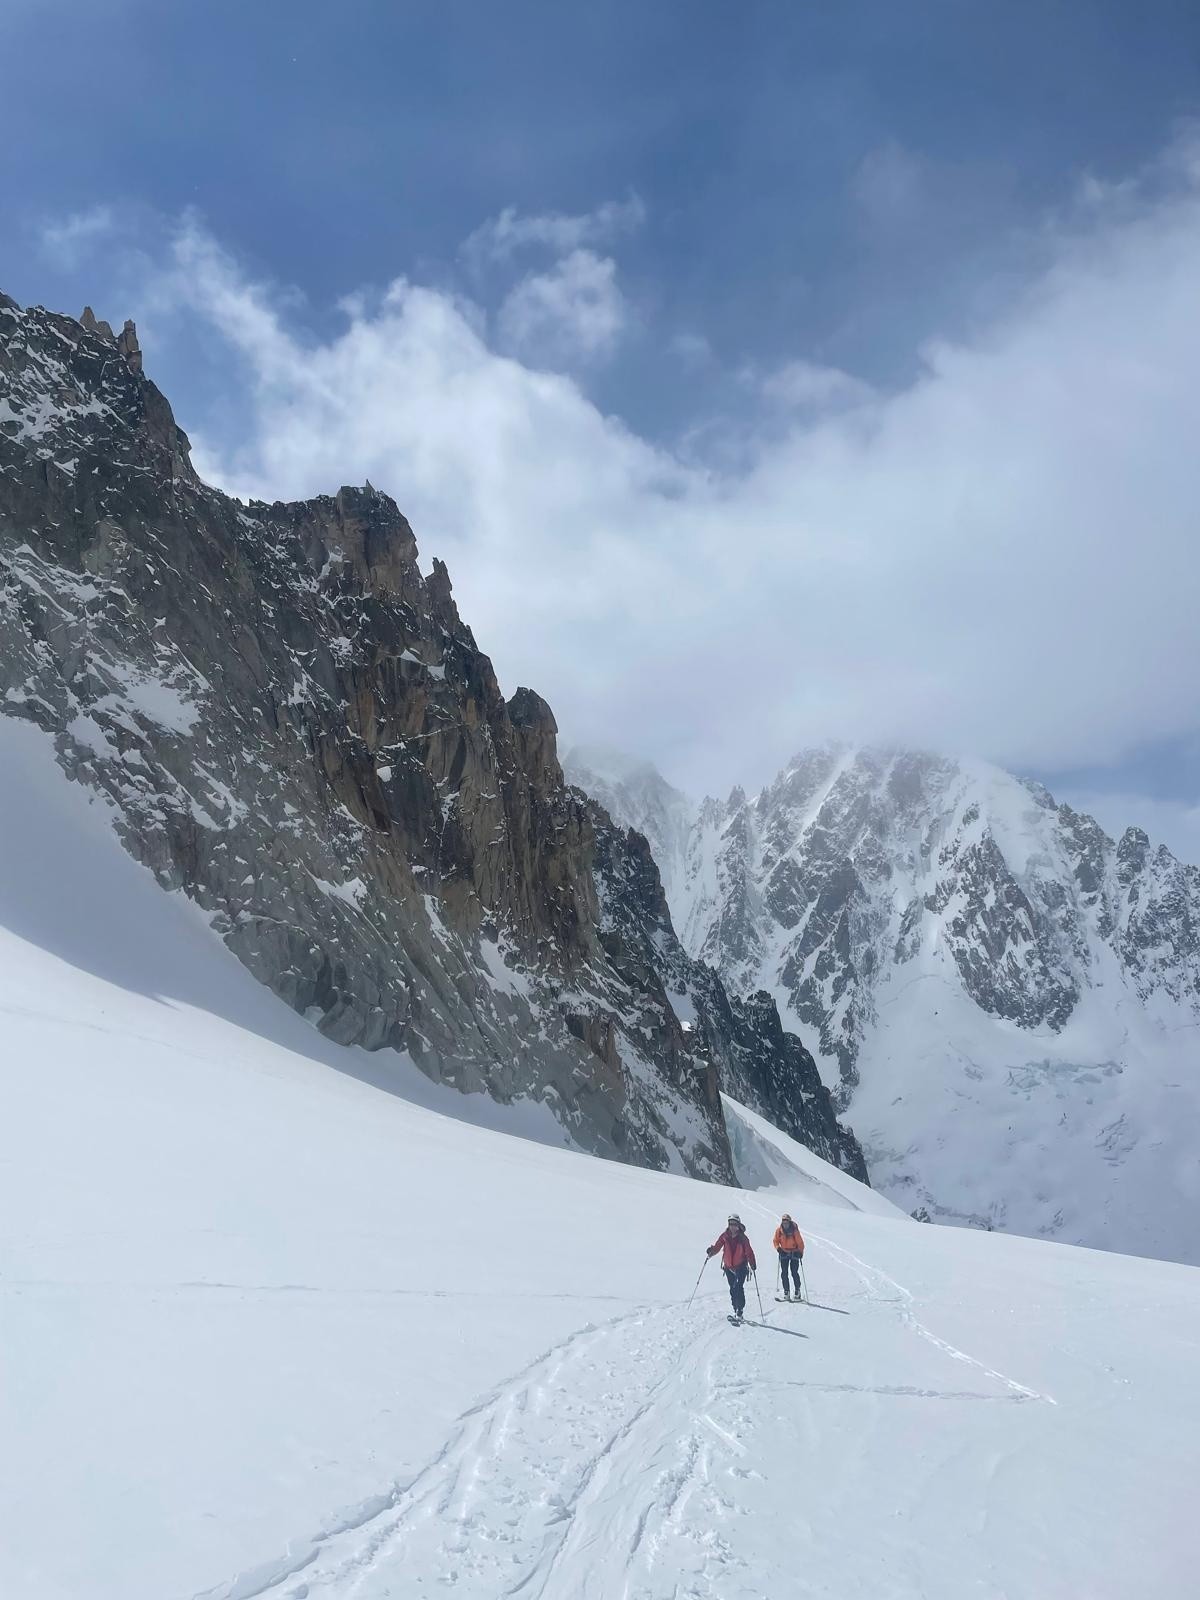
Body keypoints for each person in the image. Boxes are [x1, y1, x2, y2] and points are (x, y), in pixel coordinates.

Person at [706, 1213, 757, 1321]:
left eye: (734, 1224)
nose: (732, 1226)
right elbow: (717, 1246)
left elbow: (749, 1252)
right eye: (730, 1224)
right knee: (732, 1289)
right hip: (728, 1268)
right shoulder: (725, 1236)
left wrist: (752, 1263)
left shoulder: (743, 1238)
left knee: (738, 1288)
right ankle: (735, 1309)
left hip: (741, 1267)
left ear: (738, 1225)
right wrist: (711, 1251)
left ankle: (739, 1311)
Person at [773, 1213, 805, 1300]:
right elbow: (775, 1241)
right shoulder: (779, 1231)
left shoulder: (795, 1231)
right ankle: (786, 1291)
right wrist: (778, 1248)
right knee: (784, 1273)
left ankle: (797, 1291)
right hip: (784, 1252)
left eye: (786, 1222)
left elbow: (800, 1243)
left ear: (789, 1222)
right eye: (783, 1221)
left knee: (794, 1272)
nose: (785, 1223)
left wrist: (800, 1252)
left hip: (794, 1252)